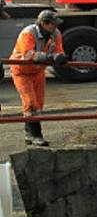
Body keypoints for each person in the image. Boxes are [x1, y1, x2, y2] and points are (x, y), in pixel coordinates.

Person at [10, 10, 67, 146]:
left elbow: (59, 51)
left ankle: (29, 134)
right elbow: (29, 54)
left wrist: (61, 57)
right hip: (21, 71)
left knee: (38, 105)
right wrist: (50, 57)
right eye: (53, 24)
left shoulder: (56, 34)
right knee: (30, 103)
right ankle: (36, 135)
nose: (56, 27)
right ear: (44, 23)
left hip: (38, 71)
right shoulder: (28, 33)